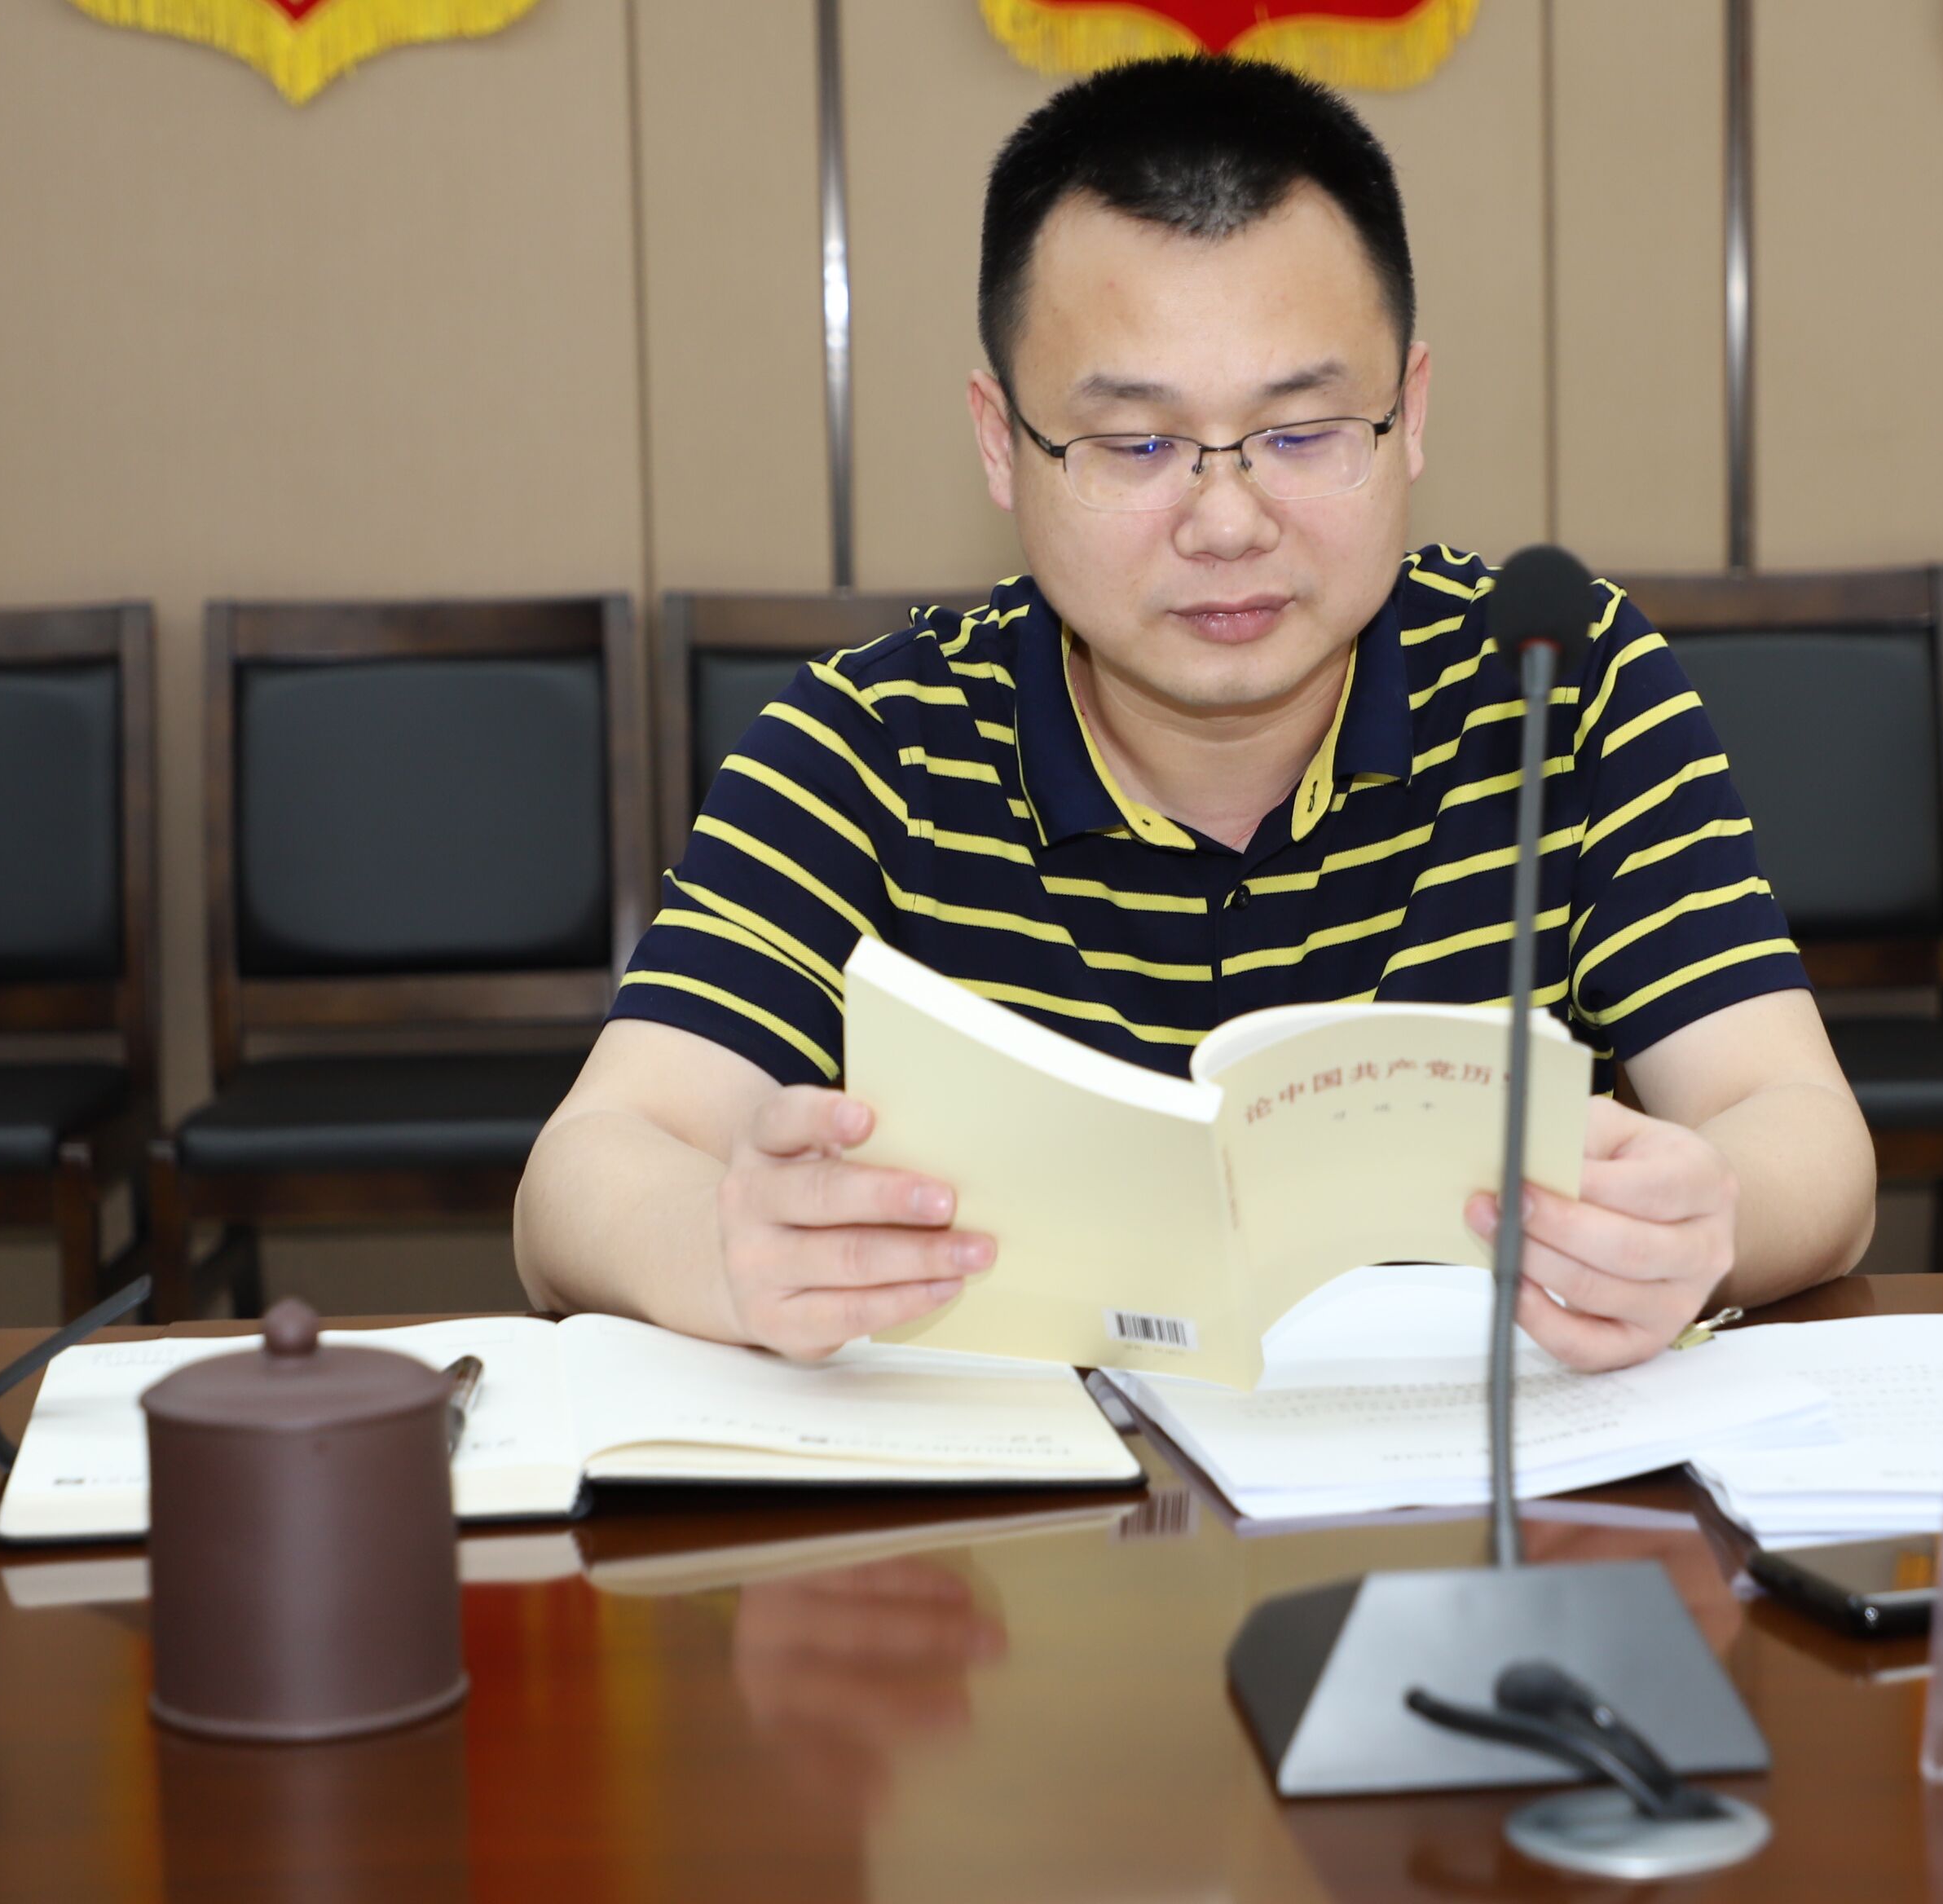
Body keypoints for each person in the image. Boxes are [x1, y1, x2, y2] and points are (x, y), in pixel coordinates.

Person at [517, 55, 1872, 1372]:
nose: (1226, 523)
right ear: (1001, 441)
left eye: (1301, 433)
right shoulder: (872, 745)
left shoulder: (1558, 685)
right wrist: (724, 1250)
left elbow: (1799, 1126)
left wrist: (1703, 1222)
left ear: (1409, 414)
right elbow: (586, 1171)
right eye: (1138, 445)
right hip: (1022, 1511)